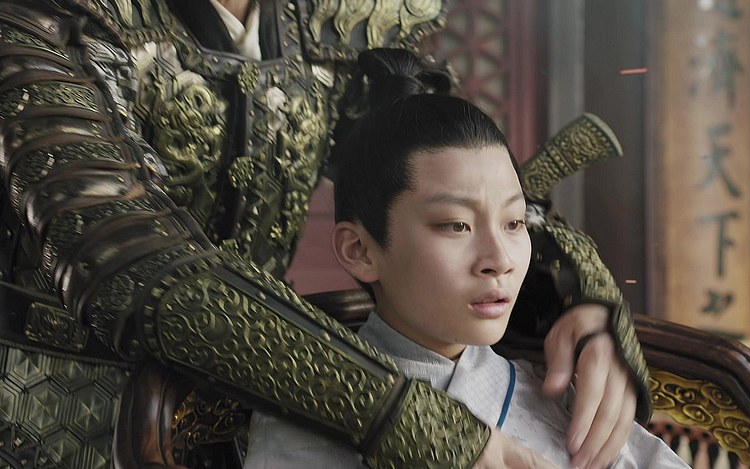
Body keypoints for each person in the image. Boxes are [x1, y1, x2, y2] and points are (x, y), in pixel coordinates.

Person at [0, 1, 647, 467]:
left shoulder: (338, 17)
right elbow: (121, 252)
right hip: (58, 407)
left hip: (281, 393)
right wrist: (412, 420)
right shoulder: (51, 16)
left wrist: (581, 301)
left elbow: (435, 167)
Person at [245, 48, 686, 469]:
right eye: (456, 225)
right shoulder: (309, 418)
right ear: (359, 250)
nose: (499, 259)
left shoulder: (559, 392)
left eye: (514, 223)